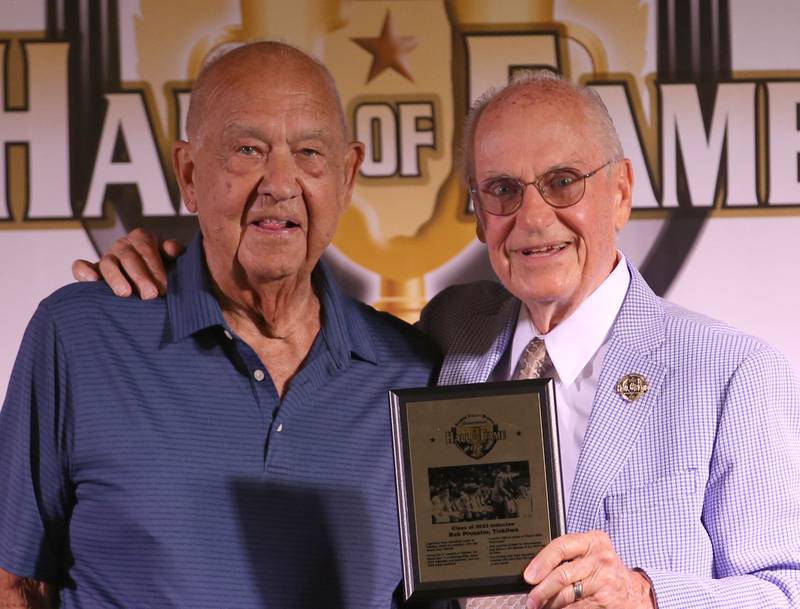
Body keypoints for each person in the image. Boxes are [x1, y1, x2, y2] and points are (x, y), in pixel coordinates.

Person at [70, 71, 800, 607]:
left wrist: (647, 595)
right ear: (479, 217)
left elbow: (787, 588)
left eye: (564, 182)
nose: (535, 218)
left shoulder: (731, 370)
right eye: (503, 191)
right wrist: (165, 263)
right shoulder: (449, 340)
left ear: (620, 191)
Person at [0, 42, 443, 609]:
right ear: (189, 174)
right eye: (247, 149)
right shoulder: (80, 336)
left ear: (348, 175)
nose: (279, 183)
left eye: (310, 152)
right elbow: (18, 585)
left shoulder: (415, 375)